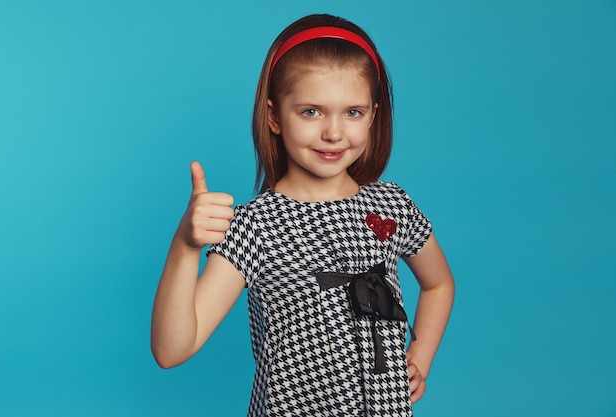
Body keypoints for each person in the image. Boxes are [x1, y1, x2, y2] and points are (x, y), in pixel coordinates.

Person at [151, 13, 455, 417]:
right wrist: (184, 247)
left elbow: (439, 285)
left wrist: (421, 354)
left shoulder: (391, 205)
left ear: (374, 116)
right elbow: (172, 350)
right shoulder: (254, 228)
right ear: (275, 116)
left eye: (353, 112)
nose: (333, 132)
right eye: (311, 111)